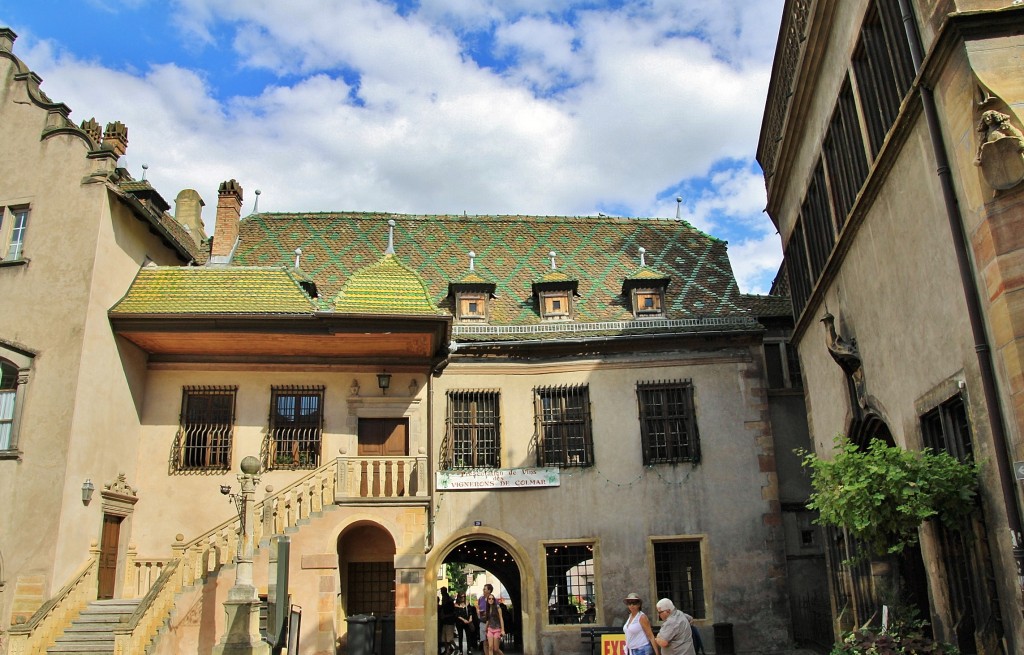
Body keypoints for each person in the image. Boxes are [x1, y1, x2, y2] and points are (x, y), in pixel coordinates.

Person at [440, 587, 457, 655]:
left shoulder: (449, 601)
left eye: (442, 591)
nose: (441, 592)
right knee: (444, 638)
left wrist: (445, 616)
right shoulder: (445, 599)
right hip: (445, 621)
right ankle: (448, 649)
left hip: (449, 622)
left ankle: (453, 648)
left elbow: (453, 613)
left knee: (448, 638)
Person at [477, 584, 493, 655]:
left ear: (489, 590)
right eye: (483, 589)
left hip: (490, 623)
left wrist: (487, 613)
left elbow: (495, 611)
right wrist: (478, 611)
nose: (483, 590)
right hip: (482, 622)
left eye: (485, 589)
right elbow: (478, 608)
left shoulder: (492, 599)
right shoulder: (481, 598)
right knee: (484, 640)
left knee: (490, 642)